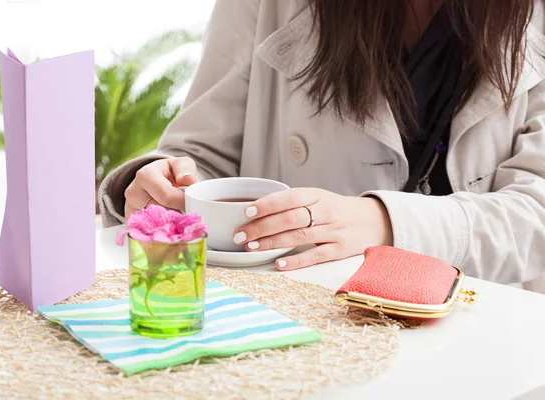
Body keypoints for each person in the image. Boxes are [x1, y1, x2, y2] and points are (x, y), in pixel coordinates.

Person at [100, 0, 545, 285]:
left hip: (484, 326)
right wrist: (164, 184)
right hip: (298, 321)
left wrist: (385, 223)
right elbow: (203, 157)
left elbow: (537, 212)